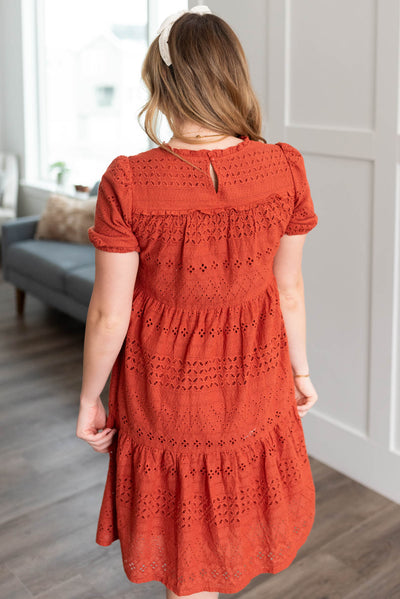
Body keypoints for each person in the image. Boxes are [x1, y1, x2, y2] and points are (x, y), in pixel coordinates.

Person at [76, 5, 319, 599]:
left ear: (161, 85)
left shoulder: (128, 180)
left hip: (167, 394)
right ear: (232, 77)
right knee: (230, 527)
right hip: (256, 377)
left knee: (187, 556)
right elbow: (288, 288)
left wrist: (88, 397)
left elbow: (111, 312)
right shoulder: (284, 167)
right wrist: (302, 371)